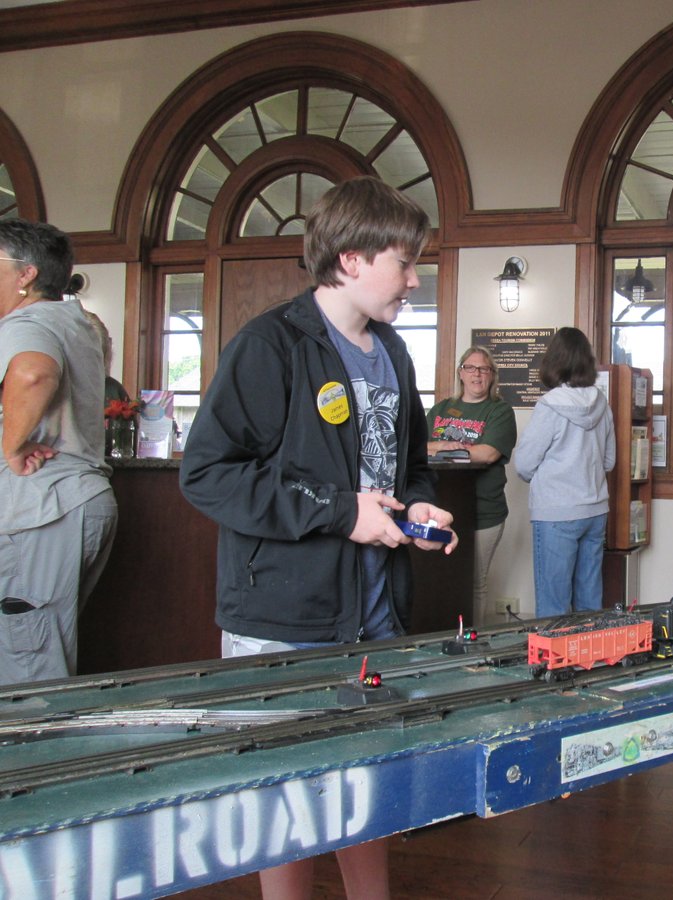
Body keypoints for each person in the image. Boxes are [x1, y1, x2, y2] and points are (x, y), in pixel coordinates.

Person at [179, 176, 458, 900]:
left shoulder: (394, 354)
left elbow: (411, 468)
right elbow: (208, 474)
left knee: (366, 784)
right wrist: (341, 510)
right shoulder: (270, 346)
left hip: (373, 615)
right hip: (282, 621)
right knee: (287, 797)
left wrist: (417, 515)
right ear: (352, 260)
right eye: (405, 261)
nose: (415, 278)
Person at [0, 219, 118, 684]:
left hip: (44, 508)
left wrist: (11, 446)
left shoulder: (26, 322)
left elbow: (33, 375)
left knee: (27, 665)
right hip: (74, 502)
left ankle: (32, 759)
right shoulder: (73, 321)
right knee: (37, 651)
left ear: (25, 274)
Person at [512, 327, 615, 617]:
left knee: (553, 606)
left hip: (557, 513)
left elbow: (523, 463)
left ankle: (554, 663)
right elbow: (609, 461)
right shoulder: (601, 403)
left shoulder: (550, 405)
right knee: (589, 604)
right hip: (595, 511)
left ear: (554, 360)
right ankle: (590, 660)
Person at [426, 345, 516, 626]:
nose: (477, 374)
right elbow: (416, 446)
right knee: (440, 580)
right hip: (437, 510)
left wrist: (441, 450)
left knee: (473, 582)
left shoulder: (499, 411)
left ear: (492, 376)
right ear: (460, 373)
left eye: (484, 369)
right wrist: (444, 445)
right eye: (470, 367)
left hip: (483, 513)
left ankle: (471, 641)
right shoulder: (441, 408)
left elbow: (488, 453)